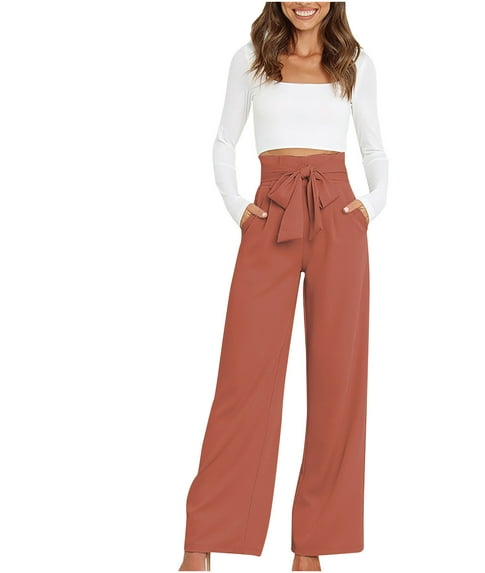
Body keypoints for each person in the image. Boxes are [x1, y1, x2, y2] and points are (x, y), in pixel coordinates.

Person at [179, 2, 388, 571]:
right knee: (242, 375)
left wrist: (369, 207)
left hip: (337, 216)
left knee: (337, 380)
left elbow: (374, 147)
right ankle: (203, 538)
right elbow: (223, 141)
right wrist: (237, 207)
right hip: (270, 212)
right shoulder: (250, 59)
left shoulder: (355, 62)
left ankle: (311, 546)